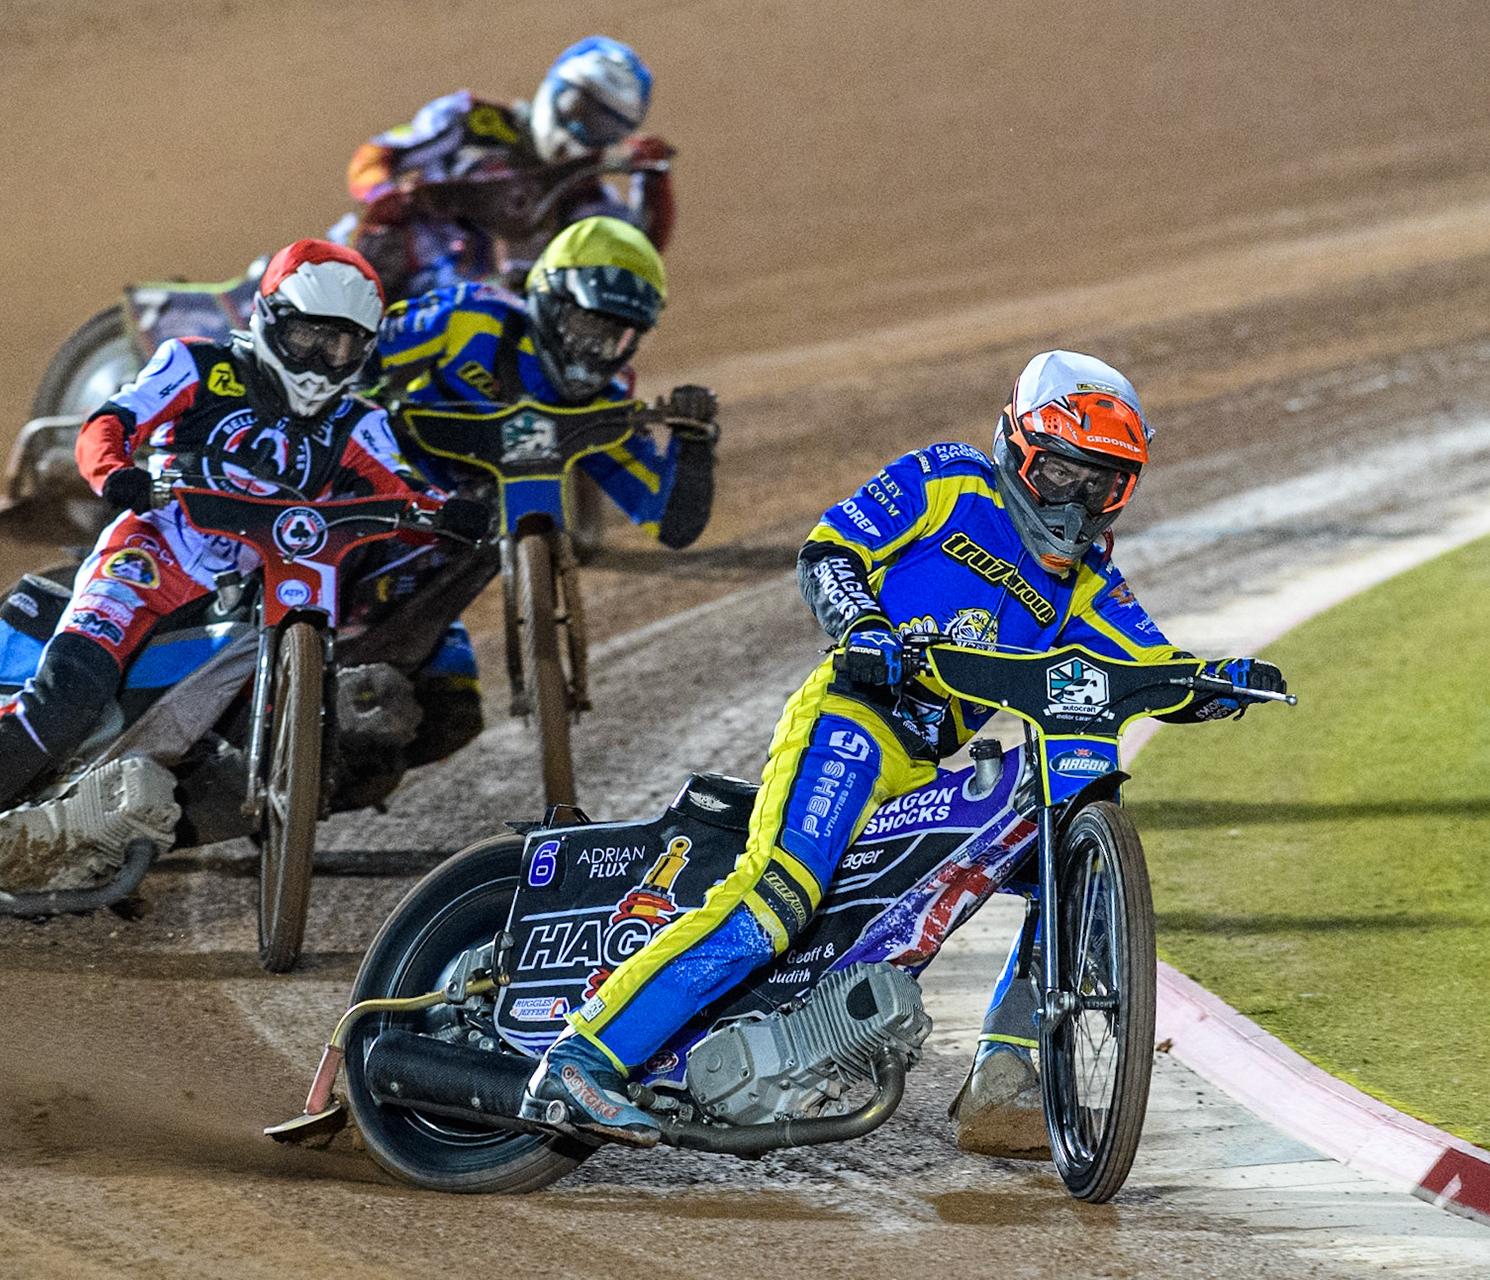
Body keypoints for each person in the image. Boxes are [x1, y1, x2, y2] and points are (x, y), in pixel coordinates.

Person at [523, 350, 1288, 1147]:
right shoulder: (947, 478)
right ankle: (581, 1059)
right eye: (1061, 472)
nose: (1076, 501)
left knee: (1070, 869)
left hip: (923, 768)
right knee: (776, 900)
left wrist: (1218, 681)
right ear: (1017, 446)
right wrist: (861, 625)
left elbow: (1147, 662)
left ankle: (1005, 1075)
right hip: (850, 722)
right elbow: (831, 551)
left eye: (1101, 484)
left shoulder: (1088, 575)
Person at [0, 240, 485, 946]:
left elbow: (399, 484)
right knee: (68, 694)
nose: (320, 361)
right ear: (269, 318)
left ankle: (102, 834)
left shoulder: (358, 421)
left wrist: (446, 511)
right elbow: (110, 423)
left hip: (256, 593)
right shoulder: (198, 365)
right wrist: (114, 471)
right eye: (308, 336)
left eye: (341, 346)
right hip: (150, 559)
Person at [376, 215, 717, 550]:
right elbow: (367, 353)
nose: (595, 349)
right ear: (550, 298)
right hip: (386, 485)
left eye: (617, 336)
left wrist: (694, 441)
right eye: (585, 326)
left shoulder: (600, 407)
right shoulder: (469, 318)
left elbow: (670, 522)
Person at [339, 36, 675, 302]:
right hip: (385, 277)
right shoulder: (473, 119)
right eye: (576, 109)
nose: (577, 134)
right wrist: (386, 197)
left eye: (603, 128)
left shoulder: (586, 196)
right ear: (554, 87)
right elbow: (374, 156)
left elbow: (633, 254)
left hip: (477, 317)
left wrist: (653, 181)